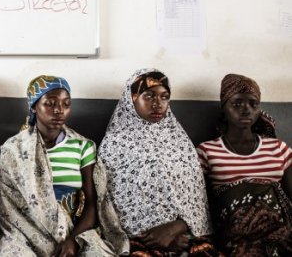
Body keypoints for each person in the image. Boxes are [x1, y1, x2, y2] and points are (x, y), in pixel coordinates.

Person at [97, 68, 221, 256]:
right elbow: (112, 202)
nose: (158, 104)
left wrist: (177, 229)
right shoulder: (113, 144)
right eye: (149, 96)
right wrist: (155, 236)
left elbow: (195, 196)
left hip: (183, 234)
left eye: (164, 97)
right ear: (132, 99)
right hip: (138, 237)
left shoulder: (179, 140)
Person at [0, 75, 117, 256]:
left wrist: (73, 240)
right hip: (25, 233)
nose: (59, 110)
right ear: (34, 106)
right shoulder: (13, 149)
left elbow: (91, 205)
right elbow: (9, 208)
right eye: (50, 103)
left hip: (75, 231)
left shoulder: (82, 146)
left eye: (66, 104)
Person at [196, 74, 292, 256]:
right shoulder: (207, 151)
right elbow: (197, 201)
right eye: (237, 104)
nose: (246, 110)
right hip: (235, 233)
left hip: (279, 229)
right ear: (224, 108)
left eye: (253, 104)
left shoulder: (278, 148)